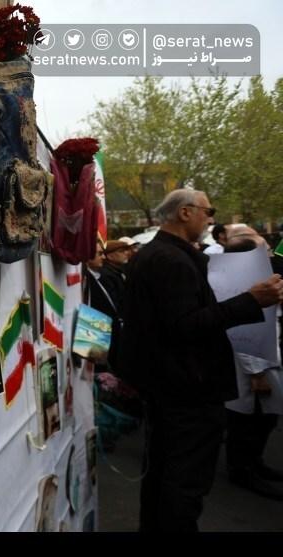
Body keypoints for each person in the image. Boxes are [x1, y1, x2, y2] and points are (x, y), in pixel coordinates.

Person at [117, 188, 283, 531]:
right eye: (209, 211)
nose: (211, 219)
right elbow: (186, 326)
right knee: (183, 484)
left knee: (164, 476)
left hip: (170, 386)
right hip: (187, 390)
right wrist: (251, 301)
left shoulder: (160, 255)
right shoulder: (171, 260)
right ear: (185, 212)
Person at [221, 231, 283, 500]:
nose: (269, 255)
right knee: (247, 422)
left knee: (265, 419)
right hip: (253, 370)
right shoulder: (239, 286)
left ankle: (255, 463)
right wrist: (257, 374)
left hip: (266, 361)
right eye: (263, 251)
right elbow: (243, 335)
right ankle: (242, 470)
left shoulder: (256, 282)